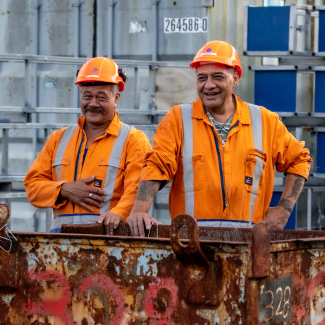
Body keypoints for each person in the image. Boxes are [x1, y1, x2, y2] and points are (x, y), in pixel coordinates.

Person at [126, 40, 311, 236]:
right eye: (202, 78)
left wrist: (284, 209)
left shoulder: (264, 121)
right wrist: (139, 209)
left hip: (248, 245)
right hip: (191, 244)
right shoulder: (178, 119)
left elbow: (299, 159)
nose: (208, 85)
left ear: (236, 78)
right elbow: (157, 164)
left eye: (218, 77)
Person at [24, 57, 151, 235]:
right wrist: (64, 189)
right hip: (61, 242)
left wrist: (119, 213)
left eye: (101, 97)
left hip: (109, 239)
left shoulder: (134, 140)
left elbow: (138, 188)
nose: (93, 104)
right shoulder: (58, 139)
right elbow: (32, 187)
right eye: (87, 96)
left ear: (116, 98)